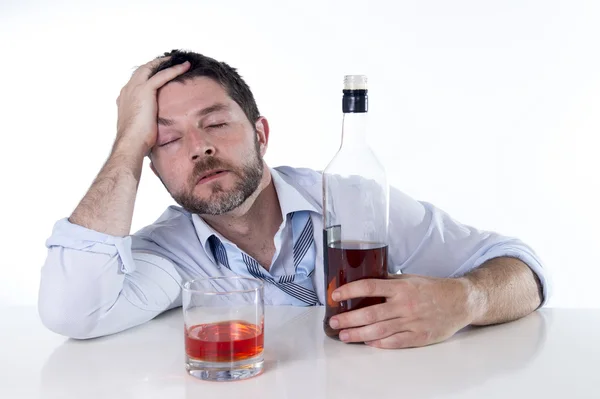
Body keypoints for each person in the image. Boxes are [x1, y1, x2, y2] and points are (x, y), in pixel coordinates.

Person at [38, 49, 549, 348]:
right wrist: (127, 141)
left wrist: (465, 300)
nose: (200, 148)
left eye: (215, 122)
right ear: (149, 163)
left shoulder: (352, 199)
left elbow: (521, 270)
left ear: (261, 133)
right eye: (167, 139)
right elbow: (73, 311)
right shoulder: (169, 253)